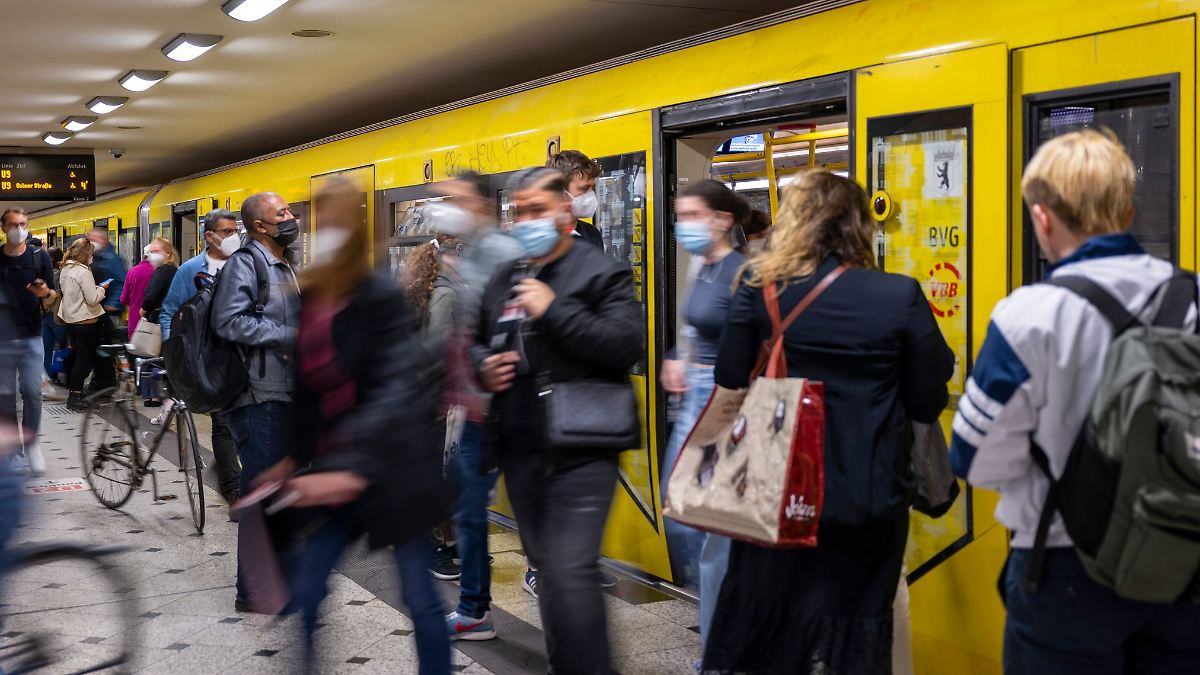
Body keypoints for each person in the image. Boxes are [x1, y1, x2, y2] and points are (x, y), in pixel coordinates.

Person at [950, 130, 1200, 673]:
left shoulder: (1029, 314)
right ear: (1129, 209)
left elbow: (975, 458)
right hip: (1184, 562)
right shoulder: (1193, 296)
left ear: (1041, 218)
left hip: (1063, 567)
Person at [703, 170, 954, 674]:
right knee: (858, 626)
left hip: (776, 490)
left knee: (770, 626)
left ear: (792, 224)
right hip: (867, 496)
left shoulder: (759, 288)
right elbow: (929, 397)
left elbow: (729, 376)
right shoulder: (898, 295)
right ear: (859, 225)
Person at [256, 177, 451, 673]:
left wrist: (352, 468)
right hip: (337, 471)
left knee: (419, 597)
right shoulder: (313, 296)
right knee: (309, 586)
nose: (324, 230)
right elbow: (308, 391)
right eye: (322, 220)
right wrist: (289, 459)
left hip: (393, 467)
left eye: (338, 221)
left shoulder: (380, 297)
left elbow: (394, 388)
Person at [472, 166, 641, 671]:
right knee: (549, 570)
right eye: (518, 211)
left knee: (570, 569)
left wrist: (555, 311)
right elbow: (481, 339)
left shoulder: (600, 272)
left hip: (584, 446)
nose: (526, 220)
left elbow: (625, 345)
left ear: (565, 212)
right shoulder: (508, 276)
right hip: (523, 451)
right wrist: (486, 366)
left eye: (537, 210)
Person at [658, 180, 752, 645]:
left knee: (710, 521)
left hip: (725, 398)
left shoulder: (743, 271)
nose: (684, 225)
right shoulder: (704, 266)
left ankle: (721, 635)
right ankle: (717, 607)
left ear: (722, 219)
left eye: (693, 215)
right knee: (677, 511)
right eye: (682, 215)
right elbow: (696, 328)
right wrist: (677, 355)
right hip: (694, 393)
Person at [435, 172, 524, 642]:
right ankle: (473, 610)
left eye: (453, 199)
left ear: (479, 203)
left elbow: (503, 333)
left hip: (500, 411)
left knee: (492, 509)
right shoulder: (469, 256)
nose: (446, 207)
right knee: (468, 509)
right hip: (474, 408)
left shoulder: (502, 255)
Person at [212, 192, 301, 612]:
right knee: (261, 490)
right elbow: (229, 321)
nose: (291, 217)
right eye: (281, 214)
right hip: (257, 393)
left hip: (280, 389)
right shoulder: (246, 264)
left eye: (289, 211)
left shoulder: (282, 264)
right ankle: (253, 591)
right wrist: (290, 336)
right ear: (260, 226)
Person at [161, 209, 244, 506]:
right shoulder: (190, 270)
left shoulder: (245, 264)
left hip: (244, 356)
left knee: (245, 423)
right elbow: (170, 311)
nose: (233, 237)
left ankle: (233, 471)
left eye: (235, 231)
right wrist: (175, 354)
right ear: (208, 236)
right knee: (223, 424)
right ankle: (233, 488)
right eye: (226, 232)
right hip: (212, 358)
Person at [403, 232, 467, 581]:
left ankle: (444, 543)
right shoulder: (445, 292)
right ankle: (429, 548)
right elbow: (439, 349)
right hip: (434, 400)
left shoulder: (425, 285)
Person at [0, 207, 58, 473]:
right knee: (5, 397)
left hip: (32, 335)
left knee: (33, 393)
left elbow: (52, 296)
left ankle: (31, 441)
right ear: (3, 228)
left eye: (23, 224)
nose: (19, 229)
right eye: (13, 225)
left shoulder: (39, 257)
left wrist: (45, 291)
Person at [59, 238, 115, 412]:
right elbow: (92, 299)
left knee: (79, 359)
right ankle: (75, 396)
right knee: (82, 361)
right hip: (85, 322)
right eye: (90, 254)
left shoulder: (65, 269)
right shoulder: (83, 272)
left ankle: (75, 393)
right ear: (85, 254)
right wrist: (102, 289)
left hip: (71, 320)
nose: (91, 257)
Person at [138, 237, 178, 408]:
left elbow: (152, 295)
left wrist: (143, 309)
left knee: (152, 356)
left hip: (158, 320)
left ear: (168, 253)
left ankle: (154, 394)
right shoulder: (171, 269)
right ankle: (158, 393)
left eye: (156, 251)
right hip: (166, 318)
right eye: (151, 252)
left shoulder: (164, 271)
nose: (152, 255)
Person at [546, 150, 604, 248]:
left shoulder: (593, 234)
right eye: (584, 188)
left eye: (592, 188)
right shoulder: (541, 236)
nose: (590, 194)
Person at [85, 225, 127, 351]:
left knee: (109, 344)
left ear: (103, 240)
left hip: (110, 311)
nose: (91, 243)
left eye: (94, 240)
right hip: (99, 309)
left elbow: (120, 282)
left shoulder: (112, 259)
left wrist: (113, 303)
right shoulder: (95, 258)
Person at [41, 246, 67, 386]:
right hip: (56, 315)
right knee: (64, 345)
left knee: (47, 347)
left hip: (44, 314)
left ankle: (49, 376)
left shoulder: (44, 274)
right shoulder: (60, 274)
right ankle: (64, 374)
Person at [121, 245, 155, 338]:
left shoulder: (132, 271)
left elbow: (124, 299)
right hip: (155, 323)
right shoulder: (159, 271)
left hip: (136, 321)